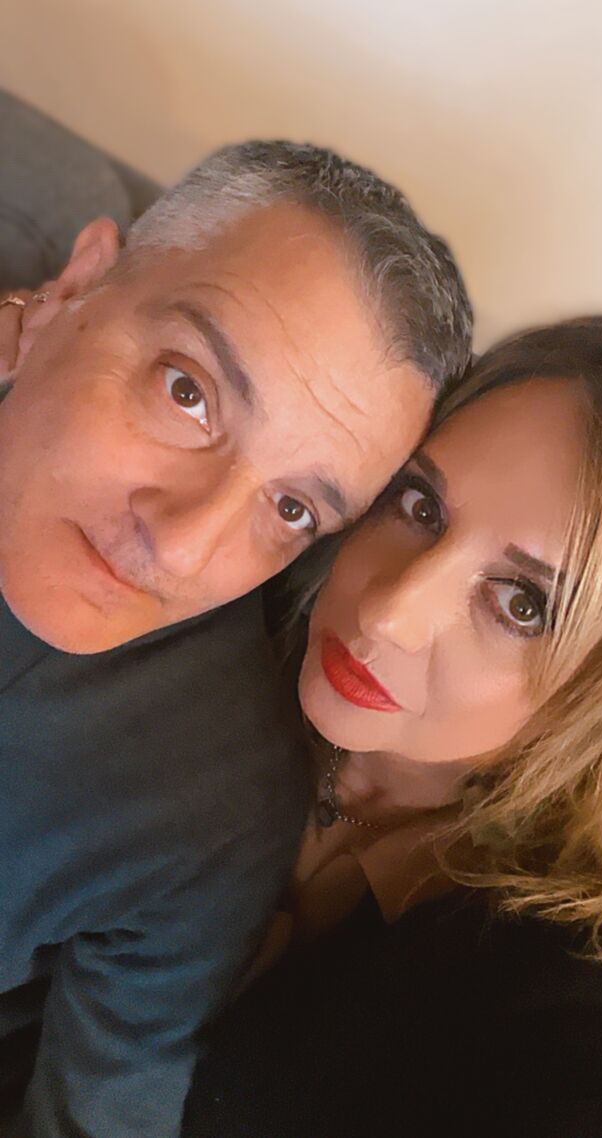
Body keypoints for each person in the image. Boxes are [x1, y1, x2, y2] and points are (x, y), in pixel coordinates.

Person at [0, 135, 472, 1138]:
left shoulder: (206, 814)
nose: (182, 547)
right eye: (188, 390)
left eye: (292, 509)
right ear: (76, 286)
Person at [184, 316, 602, 1138]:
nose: (389, 612)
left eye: (523, 604)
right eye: (420, 504)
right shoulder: (209, 609)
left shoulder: (576, 1011)